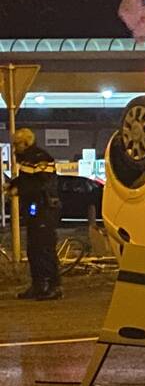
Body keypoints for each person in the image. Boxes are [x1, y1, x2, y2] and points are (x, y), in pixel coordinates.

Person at [6, 128, 62, 300]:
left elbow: (41, 184)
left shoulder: (41, 159)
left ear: (26, 143)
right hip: (35, 209)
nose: (15, 148)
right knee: (34, 248)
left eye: (17, 144)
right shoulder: (28, 160)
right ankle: (38, 284)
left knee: (44, 248)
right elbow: (25, 180)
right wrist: (11, 186)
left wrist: (18, 190)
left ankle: (51, 285)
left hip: (44, 209)